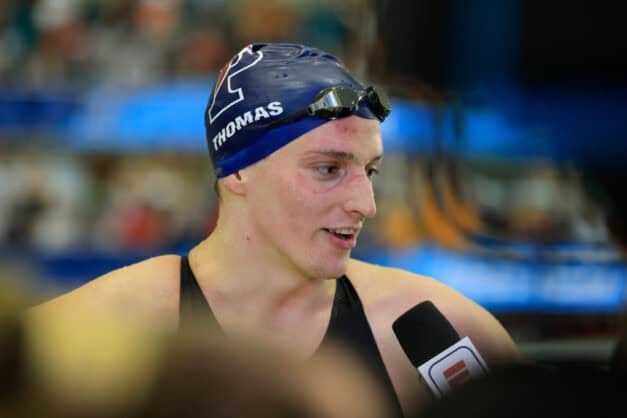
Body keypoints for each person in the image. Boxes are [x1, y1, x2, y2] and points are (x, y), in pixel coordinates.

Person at [28, 43, 520, 417]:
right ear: (238, 171)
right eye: (328, 169)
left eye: (369, 171)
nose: (365, 205)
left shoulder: (437, 329)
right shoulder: (114, 326)